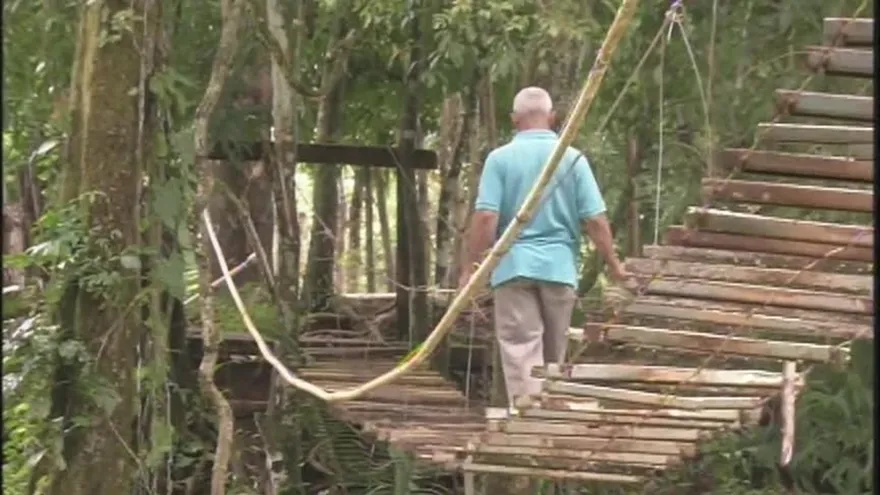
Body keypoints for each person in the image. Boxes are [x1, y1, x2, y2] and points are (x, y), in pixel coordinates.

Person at [458, 86, 631, 408]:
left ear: (514, 120)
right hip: (559, 268)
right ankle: (547, 417)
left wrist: (470, 269)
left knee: (522, 349)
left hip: (512, 268)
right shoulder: (572, 158)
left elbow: (485, 217)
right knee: (553, 356)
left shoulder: (500, 159)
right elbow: (595, 219)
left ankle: (528, 420)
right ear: (552, 118)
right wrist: (615, 265)